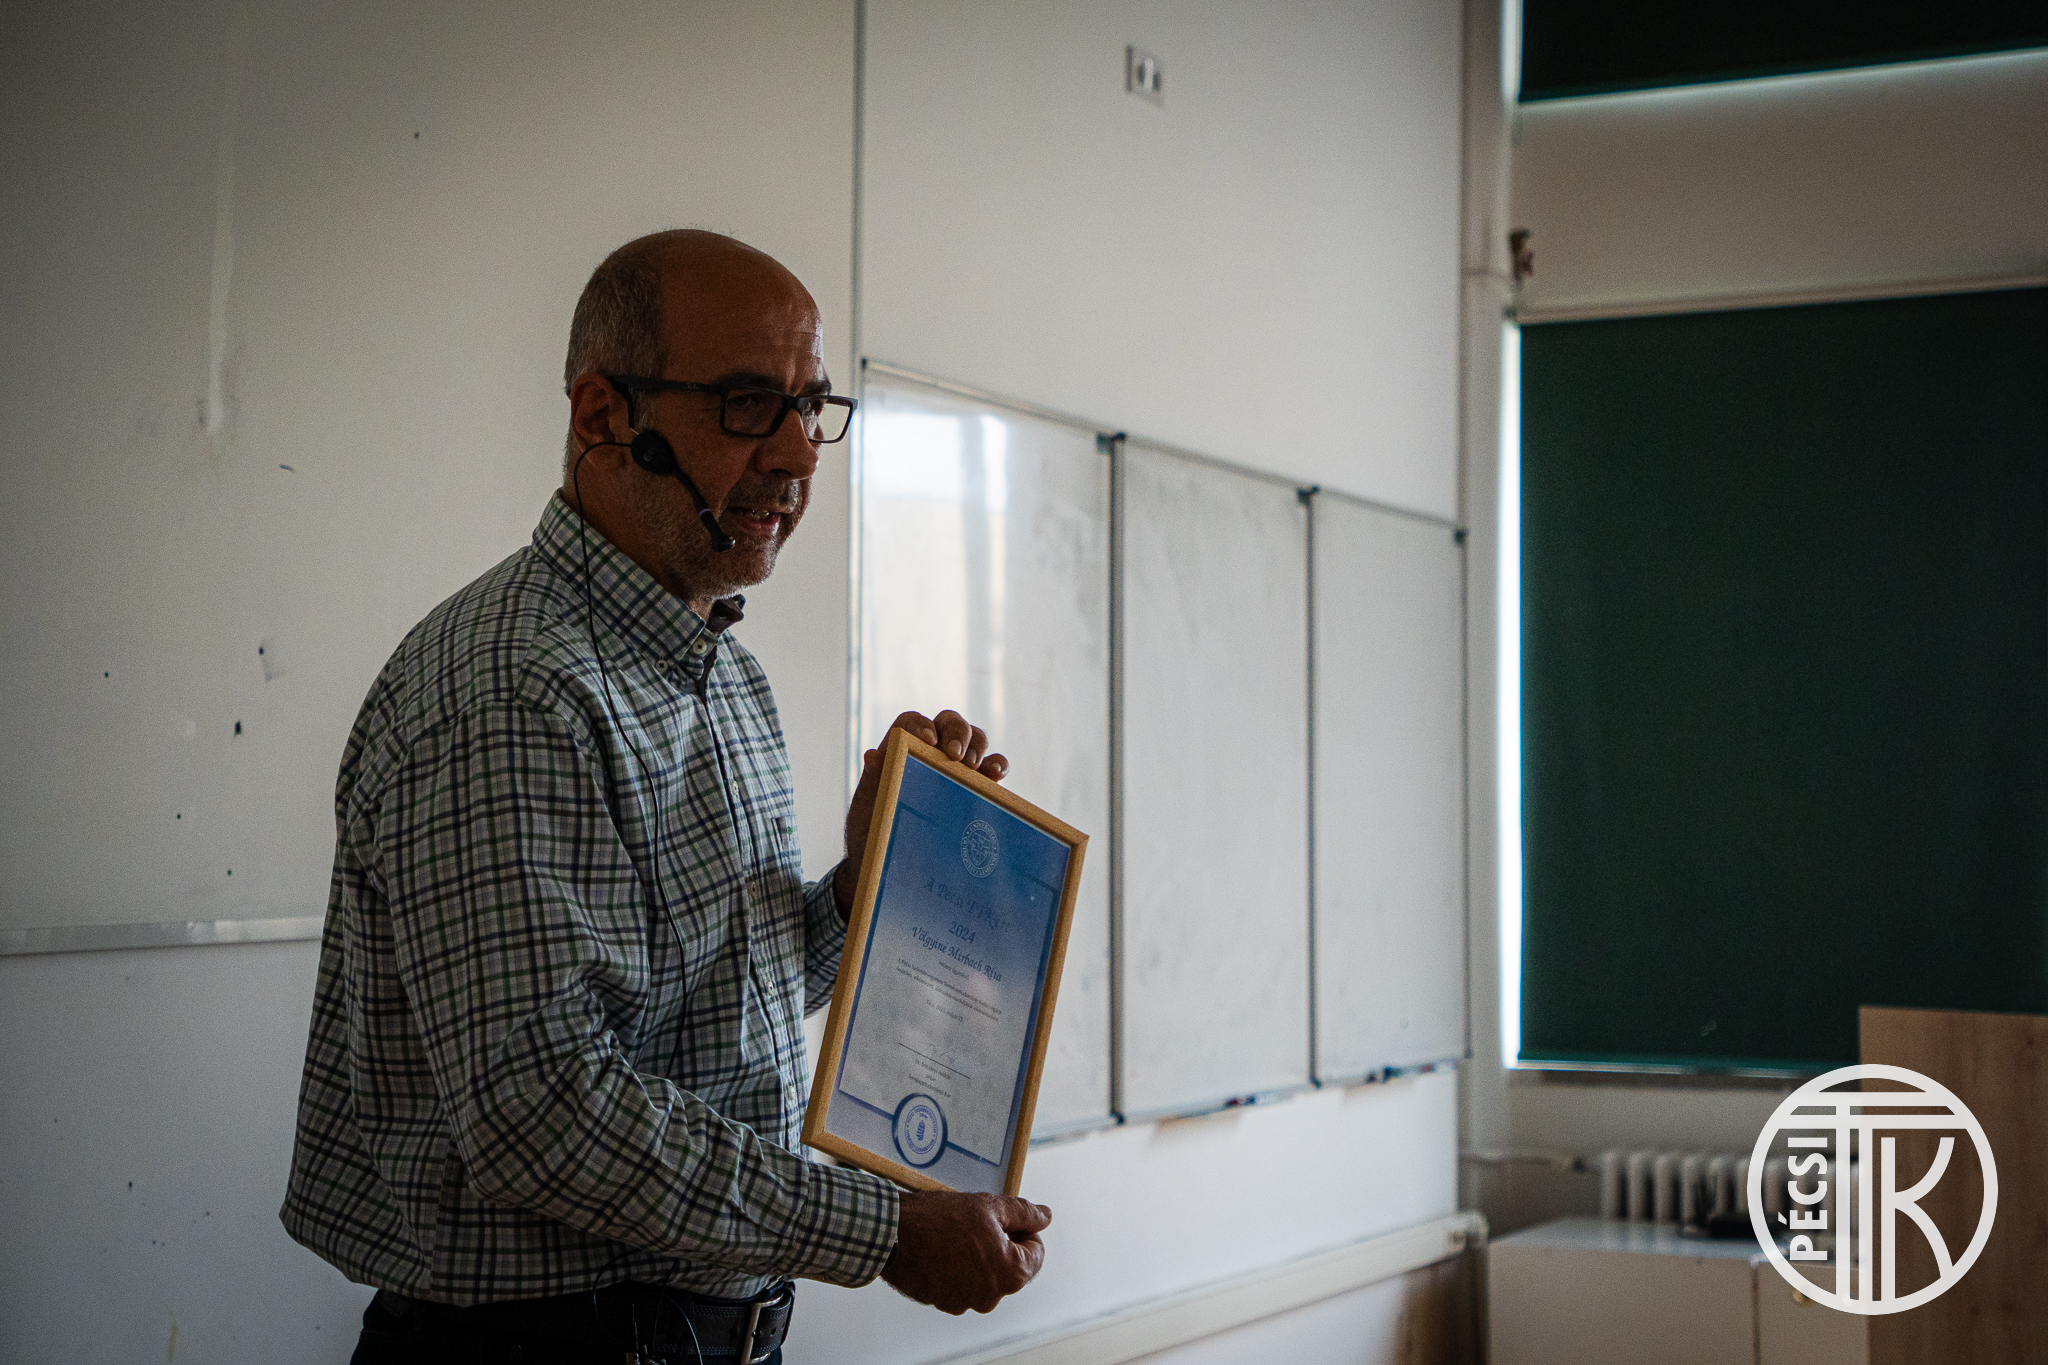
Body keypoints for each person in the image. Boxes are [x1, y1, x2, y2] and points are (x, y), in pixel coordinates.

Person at [282, 229, 1051, 1363]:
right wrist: (884, 1230)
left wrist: (869, 881)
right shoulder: (512, 690)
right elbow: (544, 1114)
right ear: (603, 415)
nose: (796, 455)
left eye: (811, 406)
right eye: (747, 404)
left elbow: (727, 1005)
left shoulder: (726, 676)